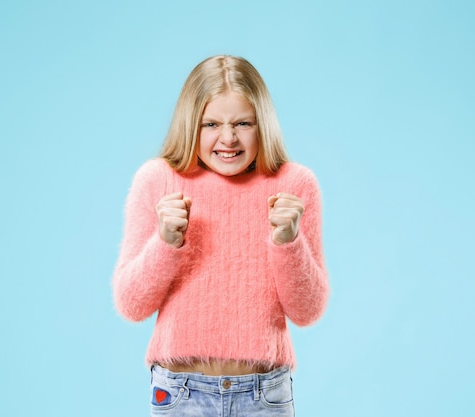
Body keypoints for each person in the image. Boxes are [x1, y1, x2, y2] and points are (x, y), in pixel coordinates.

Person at [112, 55, 329, 416]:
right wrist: (166, 242)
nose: (227, 138)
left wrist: (288, 241)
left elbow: (307, 312)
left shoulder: (294, 185)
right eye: (210, 123)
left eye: (243, 123)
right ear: (190, 124)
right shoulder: (157, 180)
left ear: (263, 124)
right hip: (181, 393)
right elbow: (132, 305)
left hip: (265, 394)